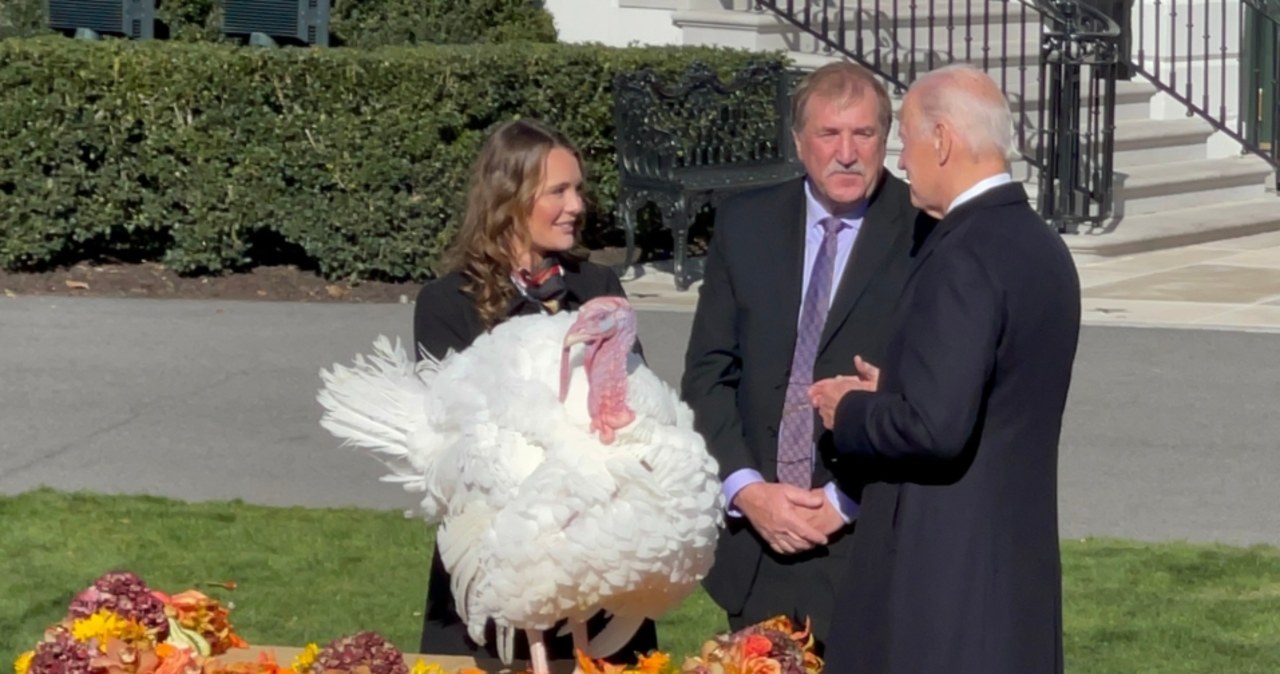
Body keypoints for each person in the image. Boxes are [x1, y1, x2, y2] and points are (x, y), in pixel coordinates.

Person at [809, 63, 1082, 673]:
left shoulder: (962, 253)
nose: (902, 161)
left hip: (943, 583)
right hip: (1013, 571)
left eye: (906, 140)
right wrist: (898, 390)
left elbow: (935, 429)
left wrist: (849, 408)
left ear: (942, 140)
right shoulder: (1041, 245)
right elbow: (995, 393)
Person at [680, 61, 930, 651]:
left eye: (863, 134)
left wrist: (843, 503)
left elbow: (930, 397)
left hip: (865, 539)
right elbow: (708, 373)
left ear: (885, 140)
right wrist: (745, 490)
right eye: (829, 134)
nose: (846, 153)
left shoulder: (924, 234)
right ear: (798, 142)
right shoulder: (746, 223)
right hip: (757, 542)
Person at [411, 118, 658, 663]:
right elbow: (454, 441)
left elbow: (636, 410)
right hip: (497, 564)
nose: (576, 205)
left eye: (579, 190)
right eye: (558, 191)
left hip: (599, 564)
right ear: (510, 198)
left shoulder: (597, 288)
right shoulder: (448, 305)